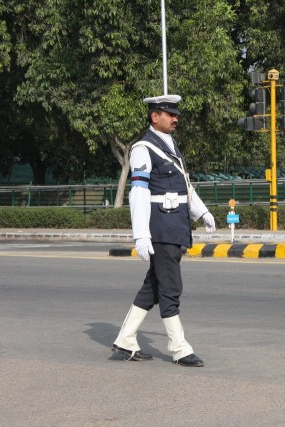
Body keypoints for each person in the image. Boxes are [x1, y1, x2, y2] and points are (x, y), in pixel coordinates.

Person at [111, 94, 216, 368]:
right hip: (161, 228)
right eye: (169, 113)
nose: (175, 118)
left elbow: (184, 186)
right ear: (154, 116)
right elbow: (139, 193)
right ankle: (179, 348)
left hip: (175, 225)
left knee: (154, 286)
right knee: (171, 288)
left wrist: (201, 211)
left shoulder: (170, 146)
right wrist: (141, 235)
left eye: (176, 113)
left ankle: (126, 339)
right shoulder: (143, 149)